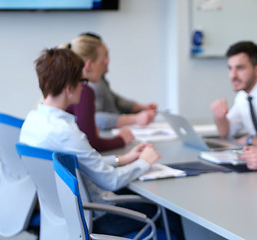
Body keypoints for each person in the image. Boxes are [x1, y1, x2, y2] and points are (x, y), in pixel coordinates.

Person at [19, 48, 167, 236]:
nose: (84, 87)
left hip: (61, 217)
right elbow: (111, 181)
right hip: (94, 218)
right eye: (82, 82)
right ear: (68, 88)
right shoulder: (67, 133)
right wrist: (144, 162)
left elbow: (73, 164)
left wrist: (123, 159)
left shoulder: (31, 122)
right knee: (165, 212)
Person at [210, 41, 257, 170]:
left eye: (240, 68)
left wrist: (249, 140)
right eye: (230, 68)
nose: (233, 75)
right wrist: (219, 117)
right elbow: (227, 133)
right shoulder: (244, 94)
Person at [63, 35, 134, 152]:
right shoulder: (83, 91)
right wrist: (121, 139)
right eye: (102, 62)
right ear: (88, 65)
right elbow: (92, 144)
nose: (106, 64)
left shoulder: (67, 84)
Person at [80, 32, 158, 131]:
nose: (107, 61)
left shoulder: (99, 81)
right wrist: (135, 119)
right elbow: (93, 119)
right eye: (105, 55)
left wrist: (140, 108)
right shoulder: (91, 86)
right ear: (89, 64)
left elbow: (115, 100)